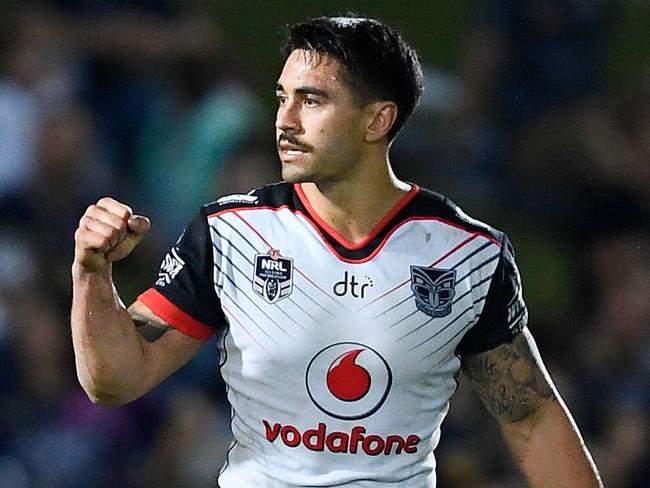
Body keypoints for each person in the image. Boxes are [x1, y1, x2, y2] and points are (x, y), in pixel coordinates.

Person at [71, 15, 604, 487]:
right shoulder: (230, 234)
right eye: (283, 97)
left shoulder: (466, 256)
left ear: (378, 120)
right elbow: (117, 379)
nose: (285, 120)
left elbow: (531, 417)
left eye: (312, 100)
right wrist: (90, 273)